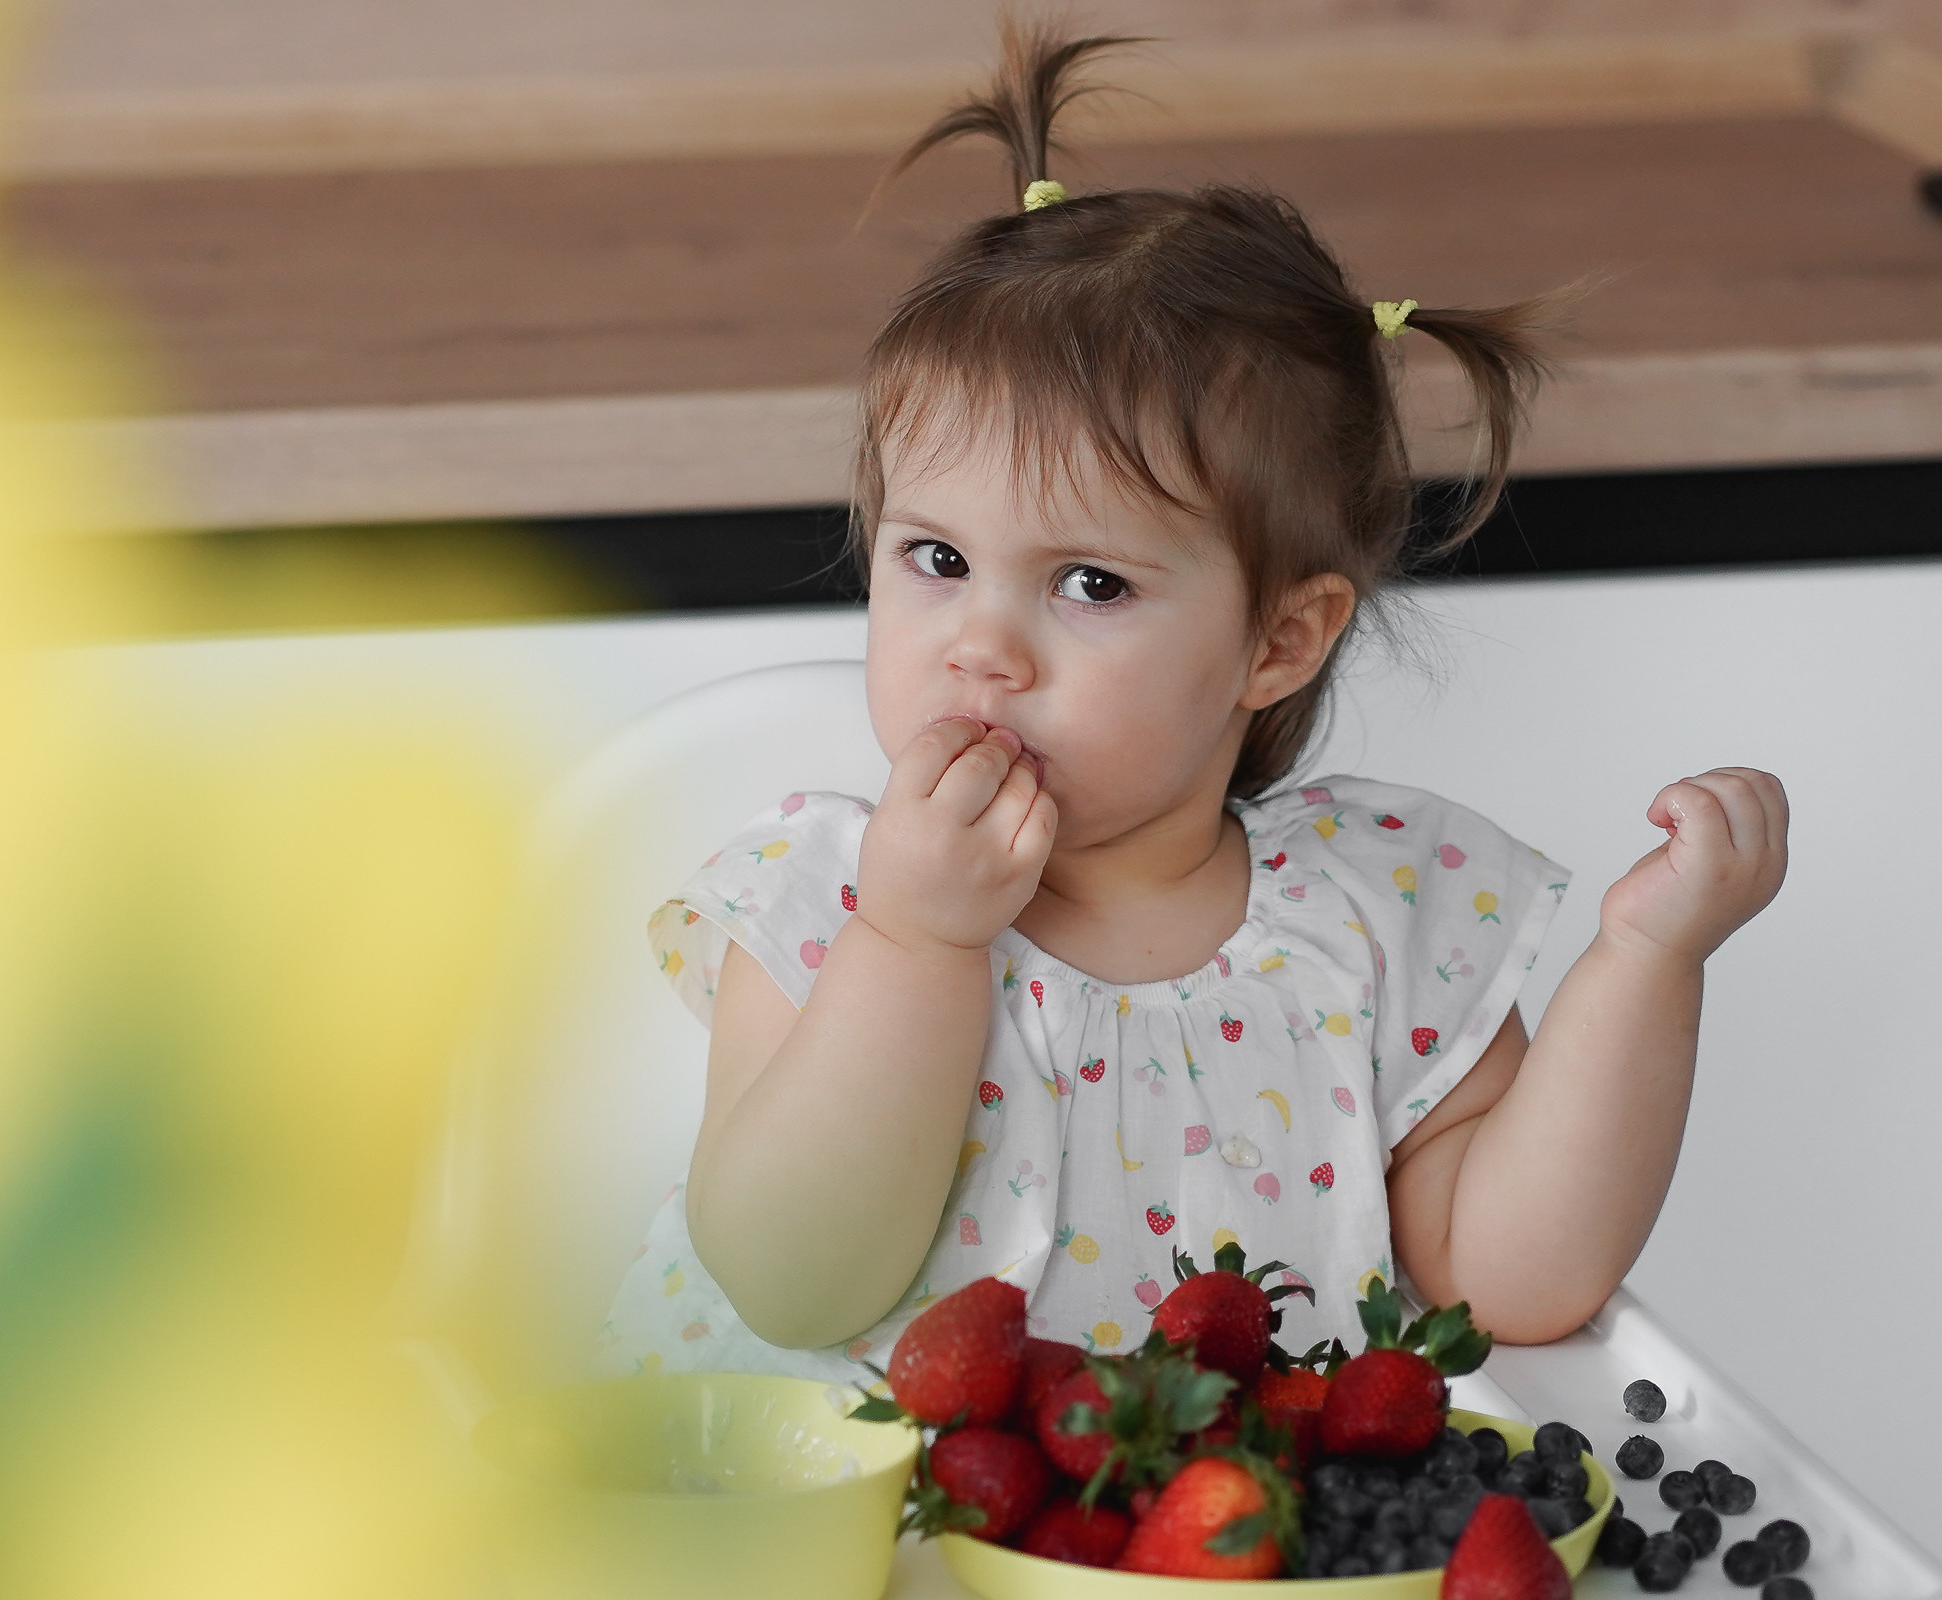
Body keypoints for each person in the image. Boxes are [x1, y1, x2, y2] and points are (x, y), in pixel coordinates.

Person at [598, 27, 1787, 1383]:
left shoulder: (1378, 920)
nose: (982, 646)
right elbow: (792, 1284)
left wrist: (1647, 966)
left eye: (1090, 583)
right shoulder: (821, 903)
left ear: (1277, 643)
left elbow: (1513, 1284)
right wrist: (918, 939)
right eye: (937, 559)